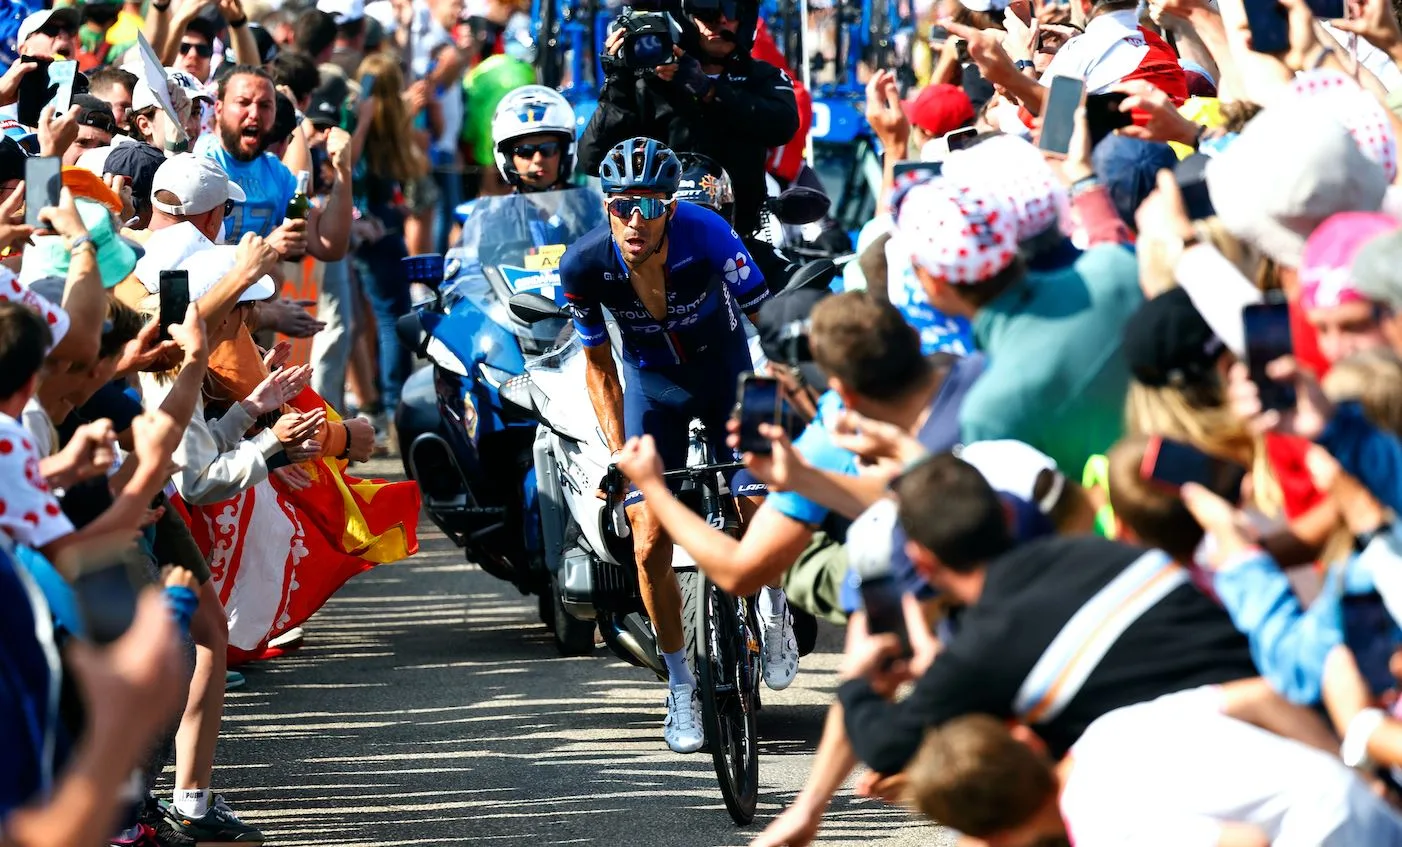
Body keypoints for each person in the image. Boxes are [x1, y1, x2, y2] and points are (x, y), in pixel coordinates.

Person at [559, 137, 770, 753]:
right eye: (621, 205)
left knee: (761, 506)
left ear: (670, 209)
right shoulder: (583, 265)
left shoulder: (706, 234)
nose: (633, 220)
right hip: (655, 392)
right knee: (648, 535)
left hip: (730, 375)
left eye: (648, 206)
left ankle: (776, 604)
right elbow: (598, 369)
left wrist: (790, 396)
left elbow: (768, 322)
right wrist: (621, 452)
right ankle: (680, 682)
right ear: (606, 207)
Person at [577, 0, 800, 237]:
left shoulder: (762, 77)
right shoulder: (650, 85)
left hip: (741, 241)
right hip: (659, 244)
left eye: (732, 9)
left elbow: (783, 126)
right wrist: (617, 85)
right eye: (706, 10)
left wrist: (709, 90)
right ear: (685, 17)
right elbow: (593, 159)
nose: (721, 20)